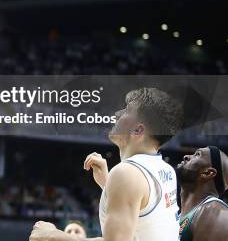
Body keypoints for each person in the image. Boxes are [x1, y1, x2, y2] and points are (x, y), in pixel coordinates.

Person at [30, 88, 183, 241]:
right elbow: (144, 222)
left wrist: (51, 236)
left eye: (127, 110)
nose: (117, 113)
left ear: (138, 130)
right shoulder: (165, 169)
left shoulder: (127, 173)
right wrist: (108, 184)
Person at [176, 146, 228, 240]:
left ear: (208, 173)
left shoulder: (216, 213)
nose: (186, 156)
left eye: (197, 154)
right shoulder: (179, 215)